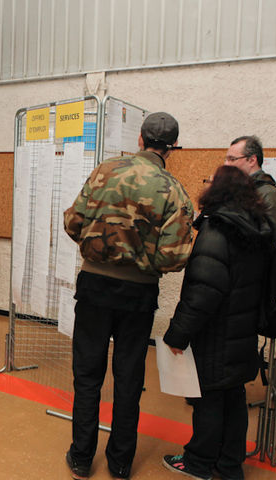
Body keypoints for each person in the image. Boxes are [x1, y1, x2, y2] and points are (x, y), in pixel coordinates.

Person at [63, 112, 195, 479]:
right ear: (172, 147)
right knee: (129, 376)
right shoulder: (173, 189)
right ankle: (120, 462)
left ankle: (81, 456)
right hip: (138, 294)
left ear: (139, 138)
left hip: (94, 286)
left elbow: (74, 222)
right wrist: (143, 259)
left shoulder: (104, 171)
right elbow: (174, 256)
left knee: (87, 374)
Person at [161, 166, 274, 480]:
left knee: (208, 398)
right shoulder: (256, 228)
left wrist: (177, 335)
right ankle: (229, 464)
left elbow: (202, 293)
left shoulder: (216, 231)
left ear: (219, 191)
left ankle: (198, 462)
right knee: (234, 397)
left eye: (209, 180)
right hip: (242, 334)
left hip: (216, 335)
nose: (205, 184)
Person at [224, 135, 276, 229]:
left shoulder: (267, 193)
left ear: (252, 160)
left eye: (232, 159)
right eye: (226, 159)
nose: (226, 164)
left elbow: (267, 237)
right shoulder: (235, 189)